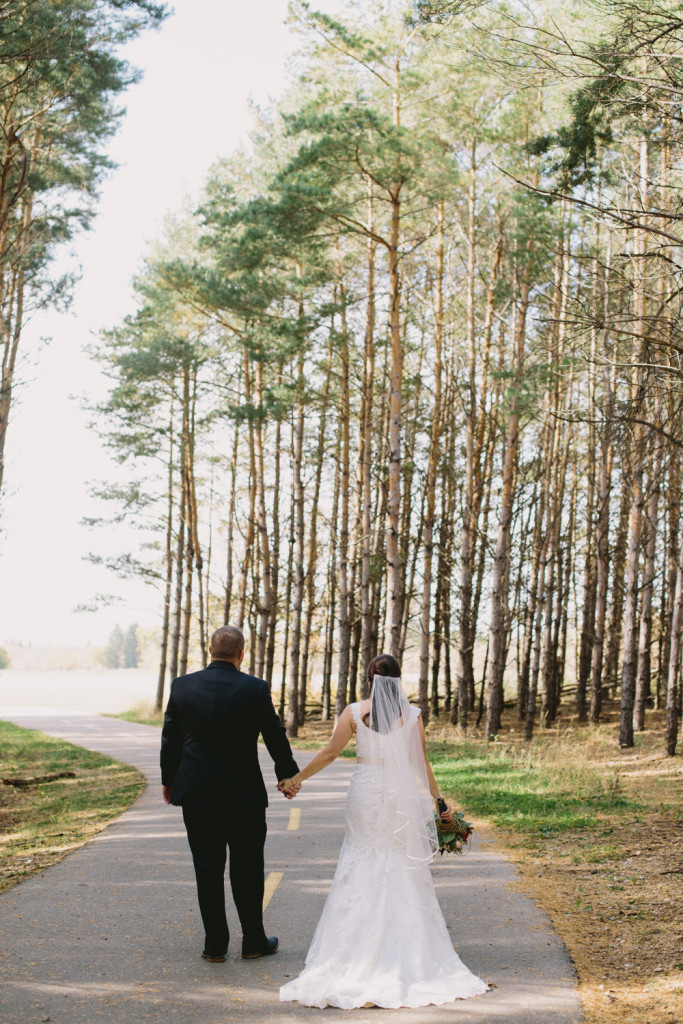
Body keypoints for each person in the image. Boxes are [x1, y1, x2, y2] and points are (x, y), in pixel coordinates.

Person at [279, 653, 489, 1010]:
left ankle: (351, 949)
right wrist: (439, 802)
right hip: (397, 795)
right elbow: (419, 761)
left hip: (364, 793)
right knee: (398, 859)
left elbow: (331, 753)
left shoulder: (353, 712)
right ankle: (408, 949)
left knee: (360, 857)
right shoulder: (412, 715)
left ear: (370, 677)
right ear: (397, 679)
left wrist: (296, 780)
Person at [160, 625, 299, 963]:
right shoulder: (254, 688)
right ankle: (253, 941)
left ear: (209, 651)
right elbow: (274, 734)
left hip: (196, 792)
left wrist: (169, 781)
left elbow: (170, 739)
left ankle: (215, 945)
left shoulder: (182, 686)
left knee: (206, 867)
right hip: (244, 795)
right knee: (248, 867)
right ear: (241, 654)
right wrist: (287, 775)